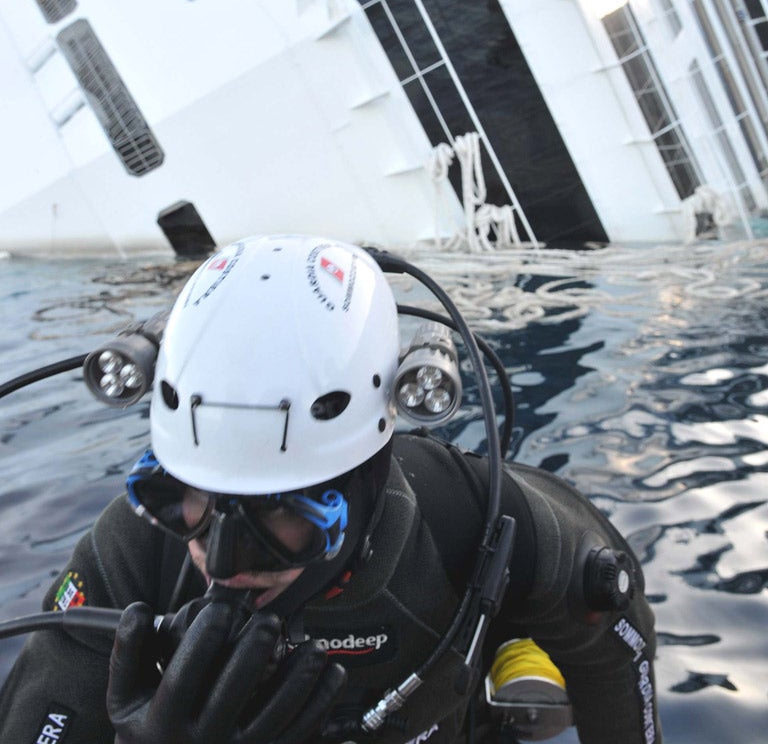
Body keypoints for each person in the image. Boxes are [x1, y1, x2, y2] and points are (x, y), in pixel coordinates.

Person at [0, 234, 662, 743]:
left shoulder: (476, 522)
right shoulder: (134, 555)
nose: (221, 561)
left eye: (282, 513)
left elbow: (615, 658)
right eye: (183, 501)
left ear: (370, 472)